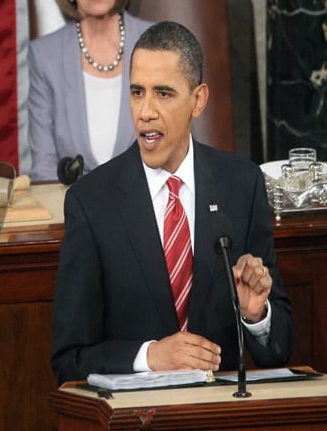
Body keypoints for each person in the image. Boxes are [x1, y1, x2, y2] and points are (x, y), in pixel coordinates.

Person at [51, 21, 292, 384]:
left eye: (163, 93)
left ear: (198, 100)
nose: (145, 111)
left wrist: (256, 316)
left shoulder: (241, 185)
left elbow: (279, 349)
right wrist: (150, 356)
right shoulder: (91, 203)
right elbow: (68, 361)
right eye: (136, 93)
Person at [27, 0, 152, 181]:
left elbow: (179, 153)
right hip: (73, 216)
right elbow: (44, 172)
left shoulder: (157, 47)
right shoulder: (44, 58)